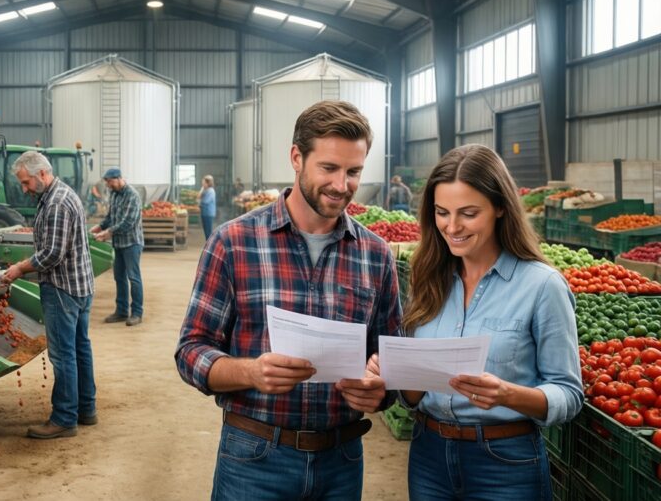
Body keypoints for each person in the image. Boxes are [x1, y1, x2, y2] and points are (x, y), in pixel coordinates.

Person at [175, 100, 402, 500]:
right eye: (329, 168)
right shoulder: (234, 242)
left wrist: (380, 389)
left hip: (342, 462)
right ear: (297, 157)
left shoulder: (375, 254)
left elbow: (390, 357)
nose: (341, 184)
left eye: (354, 172)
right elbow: (190, 352)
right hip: (255, 457)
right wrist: (250, 373)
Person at [370, 144, 582, 500]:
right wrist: (396, 372)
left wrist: (508, 394)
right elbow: (413, 397)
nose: (452, 227)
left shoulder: (541, 286)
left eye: (468, 213)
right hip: (429, 456)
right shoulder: (428, 278)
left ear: (500, 207)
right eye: (441, 213)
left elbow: (568, 394)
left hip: (505, 462)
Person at [2, 151, 97, 439]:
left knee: (63, 355)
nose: (24, 188)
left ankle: (65, 418)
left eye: (26, 182)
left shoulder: (56, 203)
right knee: (80, 348)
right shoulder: (63, 194)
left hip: (62, 289)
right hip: (79, 286)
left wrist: (19, 268)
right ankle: (86, 409)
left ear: (42, 174)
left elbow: (52, 254)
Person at [91, 167, 145, 326]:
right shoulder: (114, 194)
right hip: (119, 243)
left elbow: (128, 222)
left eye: (110, 182)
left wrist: (108, 233)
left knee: (133, 278)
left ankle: (137, 313)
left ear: (118, 178)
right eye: (107, 183)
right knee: (119, 277)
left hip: (132, 243)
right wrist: (99, 227)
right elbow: (111, 217)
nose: (108, 186)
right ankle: (121, 311)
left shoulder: (132, 196)